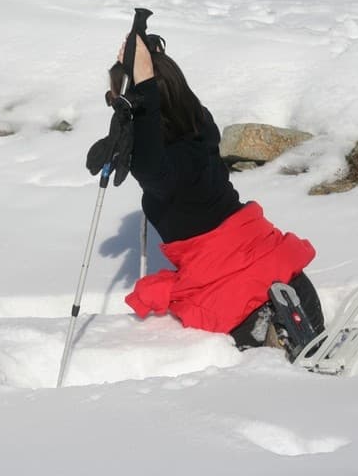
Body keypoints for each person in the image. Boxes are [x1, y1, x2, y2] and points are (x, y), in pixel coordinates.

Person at [109, 35, 325, 350]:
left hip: (230, 295)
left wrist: (143, 86)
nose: (114, 109)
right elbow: (174, 103)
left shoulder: (162, 167)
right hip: (274, 264)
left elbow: (150, 163)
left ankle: (272, 336)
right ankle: (286, 327)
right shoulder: (201, 127)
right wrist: (155, 70)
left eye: (115, 101)